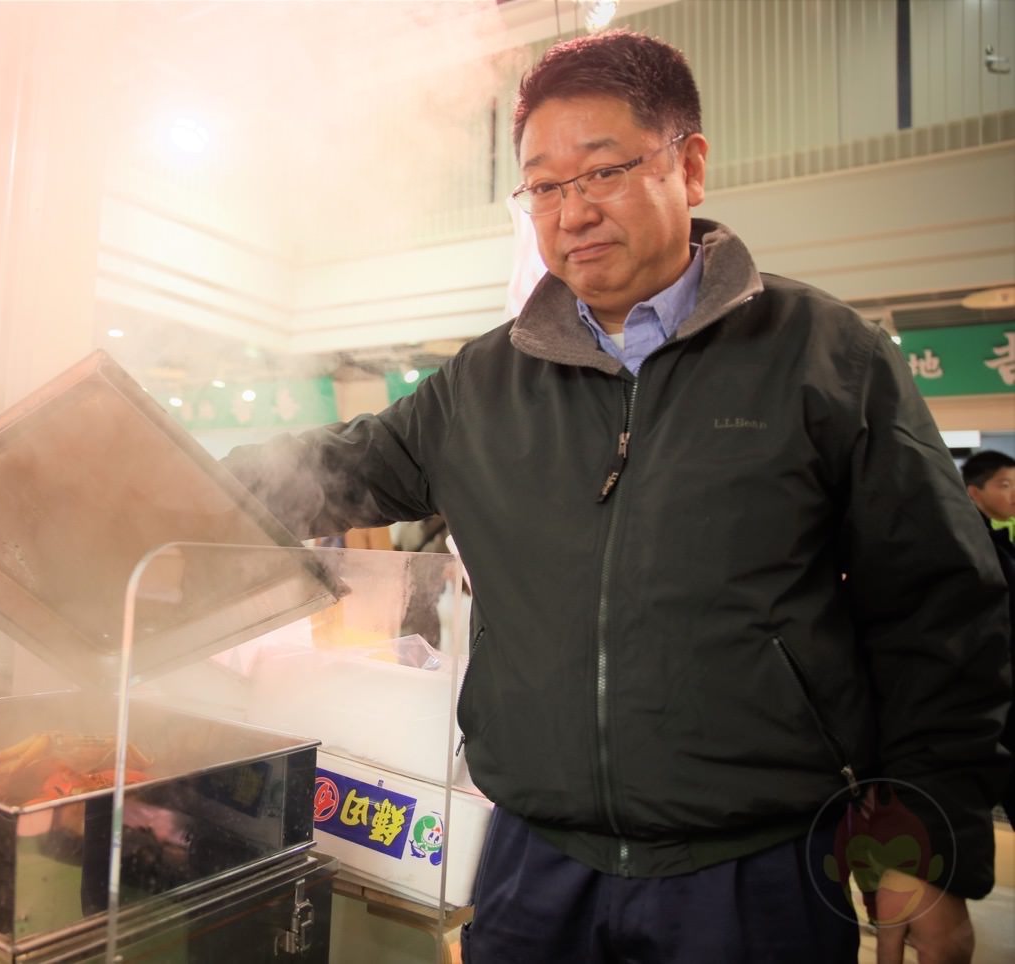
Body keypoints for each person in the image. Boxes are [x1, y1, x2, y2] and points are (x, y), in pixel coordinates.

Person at [222, 30, 1011, 964]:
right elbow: (322, 472)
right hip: (533, 859)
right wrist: (126, 486)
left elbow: (937, 615)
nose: (571, 211)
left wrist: (916, 846)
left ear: (692, 166)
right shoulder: (481, 385)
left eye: (602, 171)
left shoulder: (824, 357)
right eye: (543, 186)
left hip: (756, 867)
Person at [963, 450, 1015, 828]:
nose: (1012, 493)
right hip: (996, 696)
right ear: (972, 492)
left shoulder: (994, 541)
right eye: (1003, 484)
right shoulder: (971, 546)